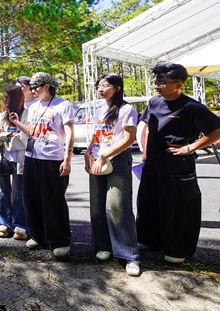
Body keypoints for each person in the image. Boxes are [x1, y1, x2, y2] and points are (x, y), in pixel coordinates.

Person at [136, 63, 220, 264]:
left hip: (178, 165)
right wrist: (146, 151)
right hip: (153, 163)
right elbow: (147, 127)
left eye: (162, 82)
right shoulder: (154, 102)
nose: (157, 85)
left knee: (175, 207)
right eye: (155, 81)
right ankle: (150, 240)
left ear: (179, 84)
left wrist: (190, 148)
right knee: (148, 202)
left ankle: (177, 249)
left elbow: (216, 131)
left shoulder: (192, 107)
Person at [10, 72, 75, 260]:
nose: (32, 90)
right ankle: (38, 236)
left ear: (47, 86)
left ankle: (60, 241)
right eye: (31, 87)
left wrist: (67, 158)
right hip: (32, 156)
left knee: (53, 201)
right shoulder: (34, 107)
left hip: (53, 158)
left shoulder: (63, 105)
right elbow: (32, 131)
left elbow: (69, 131)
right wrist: (15, 122)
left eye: (35, 87)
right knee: (31, 198)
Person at [85, 74, 141, 277]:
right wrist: (88, 153)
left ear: (117, 88)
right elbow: (97, 135)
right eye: (99, 85)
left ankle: (129, 255)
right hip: (97, 158)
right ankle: (104, 247)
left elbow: (128, 139)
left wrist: (104, 156)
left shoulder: (127, 110)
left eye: (105, 86)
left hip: (115, 160)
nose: (100, 89)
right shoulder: (101, 109)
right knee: (98, 204)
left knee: (117, 206)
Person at [0, 85, 30, 240]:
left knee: (19, 193)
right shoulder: (3, 116)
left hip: (20, 159)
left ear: (15, 97)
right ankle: (3, 222)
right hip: (4, 159)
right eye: (4, 96)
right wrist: (10, 134)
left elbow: (25, 137)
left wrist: (6, 135)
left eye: (7, 96)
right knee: (4, 192)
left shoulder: (26, 113)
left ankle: (20, 224)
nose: (4, 99)